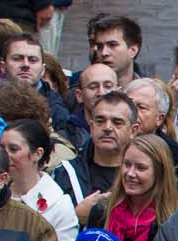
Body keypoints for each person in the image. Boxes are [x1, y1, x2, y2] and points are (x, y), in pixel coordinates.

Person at [89, 133, 178, 241]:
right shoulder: (102, 212)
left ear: (159, 173)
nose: (130, 173)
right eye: (127, 164)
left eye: (140, 168)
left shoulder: (175, 221)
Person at [53, 87, 131, 222]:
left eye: (117, 122)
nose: (107, 128)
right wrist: (76, 216)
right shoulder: (66, 173)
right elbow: (47, 227)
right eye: (100, 121)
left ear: (133, 130)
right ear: (91, 126)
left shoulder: (144, 175)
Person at [2, 117, 76, 241]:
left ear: (37, 153)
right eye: (2, 148)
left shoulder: (60, 204)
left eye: (13, 149)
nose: (5, 155)